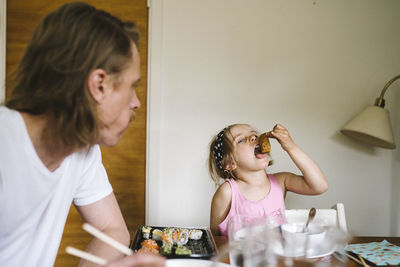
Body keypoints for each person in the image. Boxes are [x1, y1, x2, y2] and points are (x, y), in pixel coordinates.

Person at [0, 2, 164, 267]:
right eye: (132, 86)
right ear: (99, 85)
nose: (136, 102)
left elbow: (113, 230)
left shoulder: (82, 149)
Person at [208, 123, 329, 237]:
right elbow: (215, 239)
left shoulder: (281, 181)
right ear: (229, 163)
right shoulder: (228, 192)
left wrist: (290, 147)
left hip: (278, 257)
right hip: (244, 258)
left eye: (254, 135)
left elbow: (320, 186)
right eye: (241, 140)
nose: (253, 138)